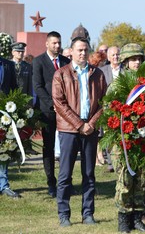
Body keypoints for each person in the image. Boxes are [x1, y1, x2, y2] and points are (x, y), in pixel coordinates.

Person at [52, 36, 107, 227]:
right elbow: (59, 103)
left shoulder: (98, 74)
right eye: (79, 50)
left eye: (85, 50)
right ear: (72, 51)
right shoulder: (61, 74)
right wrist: (79, 124)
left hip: (90, 130)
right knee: (65, 174)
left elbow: (104, 102)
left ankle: (88, 213)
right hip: (69, 130)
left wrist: (91, 123)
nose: (83, 53)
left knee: (89, 173)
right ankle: (64, 214)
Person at [109, 43, 145, 232]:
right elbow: (108, 112)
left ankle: (137, 218)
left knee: (142, 182)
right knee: (125, 181)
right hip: (124, 142)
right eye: (133, 59)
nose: (136, 62)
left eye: (139, 59)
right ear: (125, 62)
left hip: (144, 140)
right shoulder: (117, 84)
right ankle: (123, 220)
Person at [32, 31, 71, 198]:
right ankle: (51, 182)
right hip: (48, 111)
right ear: (47, 44)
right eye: (54, 43)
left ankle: (66, 182)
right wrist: (52, 104)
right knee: (49, 147)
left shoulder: (66, 62)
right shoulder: (39, 61)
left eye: (59, 43)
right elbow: (38, 86)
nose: (57, 46)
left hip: (66, 111)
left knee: (67, 146)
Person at [11, 42, 37, 154]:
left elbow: (31, 85)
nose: (20, 54)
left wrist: (30, 102)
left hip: (24, 100)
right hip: (10, 100)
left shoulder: (27, 66)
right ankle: (11, 147)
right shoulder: (8, 64)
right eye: (18, 51)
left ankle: (25, 147)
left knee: (24, 124)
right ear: (13, 52)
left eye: (22, 52)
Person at [0, 51, 19, 198]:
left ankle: (3, 184)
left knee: (4, 149)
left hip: (4, 114)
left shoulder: (8, 65)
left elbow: (14, 88)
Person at [100, 46, 121, 172]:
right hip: (107, 108)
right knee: (107, 135)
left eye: (117, 54)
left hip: (121, 108)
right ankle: (110, 162)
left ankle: (119, 159)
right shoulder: (102, 71)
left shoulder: (126, 71)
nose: (115, 57)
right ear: (108, 57)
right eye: (113, 55)